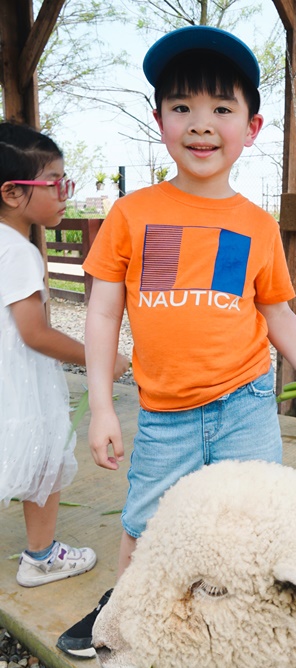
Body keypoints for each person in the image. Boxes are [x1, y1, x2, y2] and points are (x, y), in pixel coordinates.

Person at [58, 27, 296, 668]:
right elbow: (101, 315)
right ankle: (123, 626)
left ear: (252, 126)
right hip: (164, 411)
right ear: (159, 122)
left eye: (221, 109)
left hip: (245, 402)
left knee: (245, 529)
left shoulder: (255, 224)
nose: (201, 124)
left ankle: (234, 649)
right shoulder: (133, 214)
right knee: (146, 521)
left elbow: (274, 311)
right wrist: (100, 406)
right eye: (182, 107)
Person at [0, 123, 131, 588]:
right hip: (21, 380)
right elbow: (34, 333)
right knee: (43, 459)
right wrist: (98, 359)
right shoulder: (18, 252)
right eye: (55, 183)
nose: (64, 193)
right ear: (13, 193)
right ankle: (40, 556)